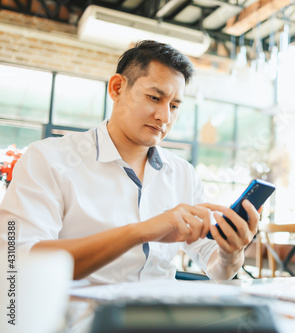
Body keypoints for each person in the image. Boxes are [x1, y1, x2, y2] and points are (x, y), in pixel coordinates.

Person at [0, 40, 260, 283]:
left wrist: (230, 253)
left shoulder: (183, 174)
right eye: (154, 98)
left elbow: (216, 267)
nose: (164, 117)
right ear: (117, 88)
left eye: (174, 106)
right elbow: (17, 262)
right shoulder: (48, 159)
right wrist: (142, 231)